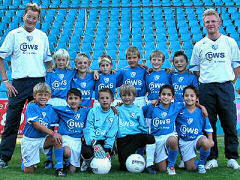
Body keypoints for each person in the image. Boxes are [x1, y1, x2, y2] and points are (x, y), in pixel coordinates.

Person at [0, 3, 52, 168]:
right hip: (19, 83)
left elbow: (48, 61)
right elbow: (1, 57)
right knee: (12, 121)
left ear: (38, 19)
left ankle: (34, 159)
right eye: (29, 16)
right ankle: (4, 157)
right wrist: (5, 81)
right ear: (24, 16)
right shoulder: (14, 34)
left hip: (38, 83)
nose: (31, 20)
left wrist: (56, 70)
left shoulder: (42, 36)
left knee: (39, 122)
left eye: (34, 18)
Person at [190, 9, 240, 170]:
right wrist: (206, 82)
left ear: (219, 22)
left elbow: (236, 66)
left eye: (213, 21)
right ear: (204, 25)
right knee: (208, 123)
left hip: (225, 86)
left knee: (229, 123)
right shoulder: (199, 45)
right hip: (206, 88)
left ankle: (232, 157)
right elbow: (196, 69)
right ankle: (212, 157)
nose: (210, 24)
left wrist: (231, 82)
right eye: (207, 22)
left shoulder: (229, 42)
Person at [21, 83, 66, 177]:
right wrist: (53, 133)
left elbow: (54, 125)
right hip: (30, 140)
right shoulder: (31, 106)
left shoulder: (51, 108)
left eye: (45, 95)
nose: (43, 97)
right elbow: (37, 125)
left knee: (57, 139)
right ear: (34, 96)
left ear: (49, 96)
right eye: (40, 94)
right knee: (29, 171)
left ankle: (59, 168)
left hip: (42, 140)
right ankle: (25, 162)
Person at [45, 49, 75, 169]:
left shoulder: (71, 72)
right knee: (50, 129)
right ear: (55, 60)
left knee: (64, 129)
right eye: (59, 60)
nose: (61, 62)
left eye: (63, 60)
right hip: (52, 102)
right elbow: (46, 88)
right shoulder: (50, 72)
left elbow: (85, 69)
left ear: (67, 61)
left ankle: (65, 157)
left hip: (65, 103)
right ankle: (48, 159)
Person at [142, 85, 181, 175]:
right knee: (162, 169)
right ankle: (155, 162)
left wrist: (202, 107)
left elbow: (190, 103)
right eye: (163, 94)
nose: (166, 97)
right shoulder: (152, 107)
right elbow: (138, 111)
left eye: (169, 95)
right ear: (159, 96)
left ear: (172, 97)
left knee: (173, 140)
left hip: (168, 135)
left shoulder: (176, 107)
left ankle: (171, 165)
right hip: (156, 139)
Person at [176, 85, 214, 174]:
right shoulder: (179, 109)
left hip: (197, 139)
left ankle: (201, 163)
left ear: (196, 98)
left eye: (192, 96)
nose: (189, 98)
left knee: (206, 142)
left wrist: (210, 139)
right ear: (183, 97)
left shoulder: (201, 111)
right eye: (186, 95)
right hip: (185, 141)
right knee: (190, 168)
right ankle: (187, 161)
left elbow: (208, 127)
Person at [116, 84, 155, 171]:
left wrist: (145, 134)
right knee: (123, 167)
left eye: (129, 95)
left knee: (150, 138)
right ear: (120, 96)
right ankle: (133, 158)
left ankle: (149, 164)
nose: (127, 98)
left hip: (135, 137)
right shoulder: (117, 109)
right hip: (122, 139)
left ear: (134, 96)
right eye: (124, 95)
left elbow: (143, 125)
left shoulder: (137, 109)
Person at [52, 88, 90, 173]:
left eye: (76, 98)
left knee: (72, 171)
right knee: (66, 151)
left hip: (77, 140)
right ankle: (62, 163)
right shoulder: (62, 109)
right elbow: (49, 107)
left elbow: (99, 110)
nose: (73, 101)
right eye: (70, 98)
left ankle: (68, 163)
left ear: (80, 100)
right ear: (66, 100)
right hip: (65, 138)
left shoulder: (85, 111)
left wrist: (113, 108)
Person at [81, 88, 118, 172]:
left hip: (105, 141)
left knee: (104, 157)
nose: (105, 100)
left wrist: (107, 149)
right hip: (93, 140)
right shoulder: (93, 111)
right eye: (102, 98)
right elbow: (89, 128)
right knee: (87, 152)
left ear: (112, 100)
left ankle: (109, 156)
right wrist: (94, 143)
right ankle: (87, 162)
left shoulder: (115, 114)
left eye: (107, 98)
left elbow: (112, 133)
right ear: (98, 100)